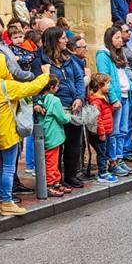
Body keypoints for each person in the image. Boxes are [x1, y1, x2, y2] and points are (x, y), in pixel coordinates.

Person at [0, 52, 49, 214]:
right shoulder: (5, 85)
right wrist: (45, 75)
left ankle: (0, 200)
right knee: (9, 168)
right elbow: (30, 88)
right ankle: (7, 201)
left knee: (1, 168)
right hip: (9, 132)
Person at [95, 27, 132, 178]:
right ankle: (112, 160)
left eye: (120, 37)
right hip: (117, 98)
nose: (120, 40)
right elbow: (105, 78)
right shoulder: (103, 55)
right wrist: (113, 99)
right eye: (117, 38)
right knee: (114, 132)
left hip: (125, 95)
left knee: (123, 130)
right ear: (109, 39)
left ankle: (119, 158)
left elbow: (125, 74)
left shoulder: (120, 54)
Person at [47, 31, 85, 187]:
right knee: (57, 144)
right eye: (62, 38)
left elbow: (79, 78)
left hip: (73, 105)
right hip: (57, 106)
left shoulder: (69, 59)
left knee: (74, 143)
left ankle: (71, 175)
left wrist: (79, 97)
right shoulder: (43, 61)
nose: (65, 41)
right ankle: (57, 178)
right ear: (55, 41)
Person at [32, 77, 71, 196]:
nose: (58, 88)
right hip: (53, 135)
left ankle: (56, 182)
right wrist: (69, 115)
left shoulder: (39, 100)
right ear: (51, 87)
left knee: (52, 160)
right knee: (51, 162)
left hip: (45, 133)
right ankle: (49, 185)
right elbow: (62, 118)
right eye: (57, 86)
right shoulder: (54, 100)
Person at [87, 73, 116, 183]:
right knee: (101, 153)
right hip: (101, 133)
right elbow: (97, 118)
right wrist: (102, 133)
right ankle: (102, 173)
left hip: (107, 130)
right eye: (107, 84)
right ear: (99, 85)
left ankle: (104, 171)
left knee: (104, 152)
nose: (109, 86)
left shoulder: (104, 97)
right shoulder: (96, 101)